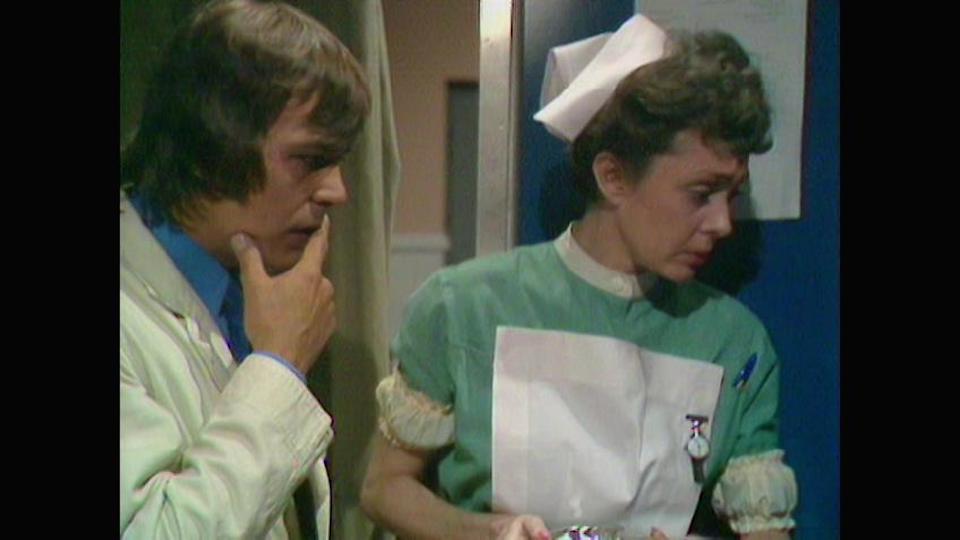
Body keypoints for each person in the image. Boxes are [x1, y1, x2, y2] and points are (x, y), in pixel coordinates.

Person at [360, 14, 797, 540]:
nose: (723, 223)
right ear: (613, 177)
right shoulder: (465, 306)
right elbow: (384, 487)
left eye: (732, 195)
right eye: (701, 194)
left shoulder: (734, 342)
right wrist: (486, 533)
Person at [119, 0, 370, 537]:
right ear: (211, 149)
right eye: (309, 160)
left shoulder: (241, 293)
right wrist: (279, 367)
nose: (337, 191)